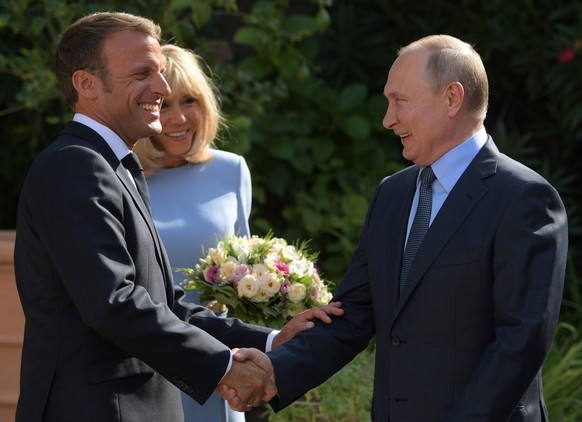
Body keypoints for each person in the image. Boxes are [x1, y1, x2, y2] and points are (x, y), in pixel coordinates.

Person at [13, 12, 342, 421]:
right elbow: (113, 303)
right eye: (142, 74)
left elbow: (167, 304)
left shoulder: (114, 167)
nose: (162, 88)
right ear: (87, 84)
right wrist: (225, 367)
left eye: (161, 73)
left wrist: (272, 340)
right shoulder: (75, 166)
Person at [228, 34, 569, 421]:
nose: (387, 119)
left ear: (452, 98)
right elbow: (354, 313)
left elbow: (520, 343)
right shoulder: (392, 194)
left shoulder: (523, 198)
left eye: (399, 101)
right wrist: (278, 368)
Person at [133, 44, 251, 421]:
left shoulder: (231, 171)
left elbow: (244, 268)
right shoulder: (122, 178)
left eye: (189, 101)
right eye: (164, 104)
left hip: (218, 364)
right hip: (148, 367)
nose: (178, 117)